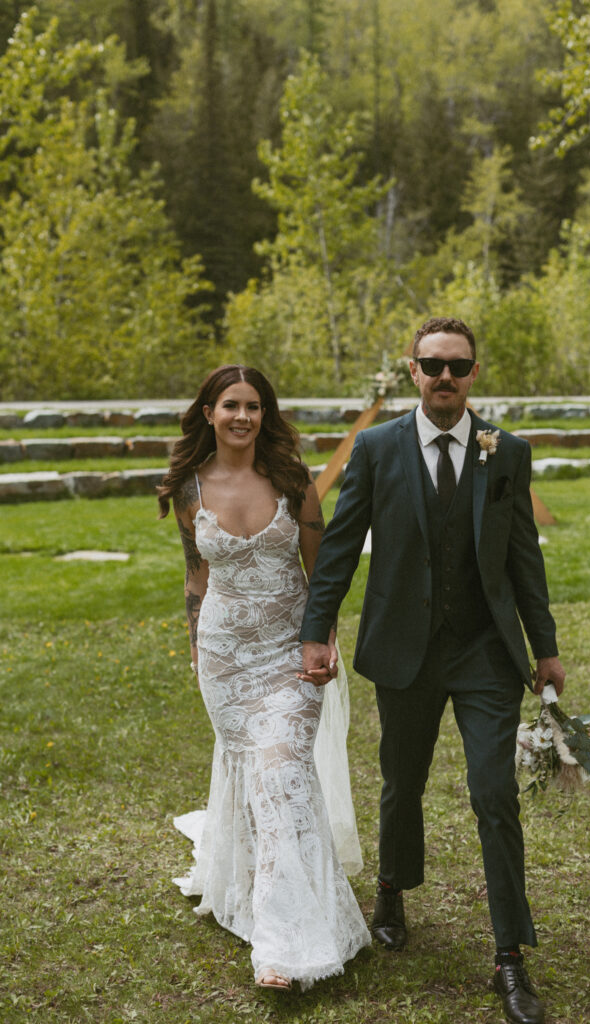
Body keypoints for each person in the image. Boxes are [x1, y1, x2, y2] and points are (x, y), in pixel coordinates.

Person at [299, 317, 565, 1024]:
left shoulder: (505, 451)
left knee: (492, 795)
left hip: (482, 650)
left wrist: (544, 645)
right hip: (403, 648)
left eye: (458, 366)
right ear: (411, 371)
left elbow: (522, 557)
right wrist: (314, 630)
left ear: (474, 373)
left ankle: (509, 959)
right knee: (402, 781)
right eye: (431, 365)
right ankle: (391, 886)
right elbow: (340, 546)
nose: (444, 377)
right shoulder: (378, 448)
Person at [157, 364, 370, 992]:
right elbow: (197, 575)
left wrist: (320, 640)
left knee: (281, 773)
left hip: (287, 653)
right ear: (209, 413)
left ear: (266, 414)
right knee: (257, 775)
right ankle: (257, 890)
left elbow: (322, 569)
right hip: (225, 658)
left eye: (253, 406)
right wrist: (196, 641)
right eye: (231, 405)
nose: (243, 416)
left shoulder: (292, 480)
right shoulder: (189, 488)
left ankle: (286, 946)